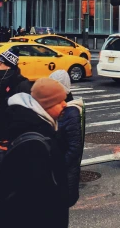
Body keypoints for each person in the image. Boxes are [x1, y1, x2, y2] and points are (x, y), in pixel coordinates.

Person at [0, 78, 68, 227]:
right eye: (59, 101)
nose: (65, 104)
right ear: (46, 104)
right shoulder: (36, 140)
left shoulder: (28, 124)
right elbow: (37, 196)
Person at [49, 70, 85, 212]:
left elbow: (74, 148)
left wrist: (58, 167)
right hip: (58, 173)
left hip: (64, 174)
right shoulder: (58, 109)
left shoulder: (71, 112)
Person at [0, 49, 32, 146]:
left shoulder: (22, 85)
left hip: (12, 140)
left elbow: (23, 116)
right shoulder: (4, 81)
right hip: (2, 136)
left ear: (9, 66)